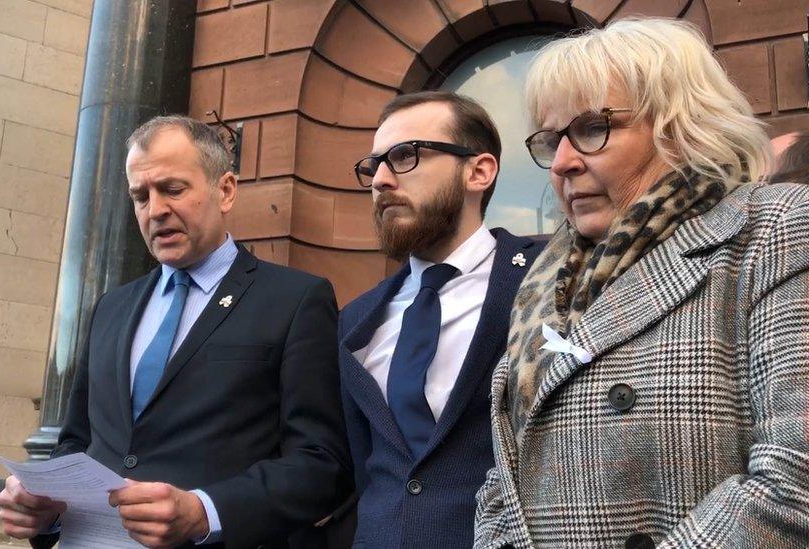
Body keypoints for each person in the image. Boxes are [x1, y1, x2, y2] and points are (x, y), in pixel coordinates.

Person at [473, 18, 809, 549]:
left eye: (590, 129)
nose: (561, 163)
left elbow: (796, 477)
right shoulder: (545, 280)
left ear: (681, 126)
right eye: (549, 140)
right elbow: (504, 480)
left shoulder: (775, 230)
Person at [0, 116, 352, 549]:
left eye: (173, 189)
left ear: (225, 191)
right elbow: (77, 441)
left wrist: (205, 511)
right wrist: (44, 507)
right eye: (140, 196)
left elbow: (321, 464)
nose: (156, 209)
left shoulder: (295, 300)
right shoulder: (111, 308)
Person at [339, 91, 544, 548]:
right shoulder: (355, 322)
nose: (381, 180)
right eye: (374, 166)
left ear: (479, 171)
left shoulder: (550, 277)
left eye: (405, 156)